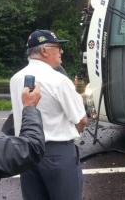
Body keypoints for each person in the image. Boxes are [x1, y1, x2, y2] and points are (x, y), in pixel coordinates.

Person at [10, 29, 88, 200]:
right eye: (58, 47)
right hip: (57, 153)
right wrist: (78, 131)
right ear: (44, 50)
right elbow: (81, 119)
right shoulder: (59, 80)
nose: (61, 51)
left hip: (27, 153)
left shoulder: (15, 79)